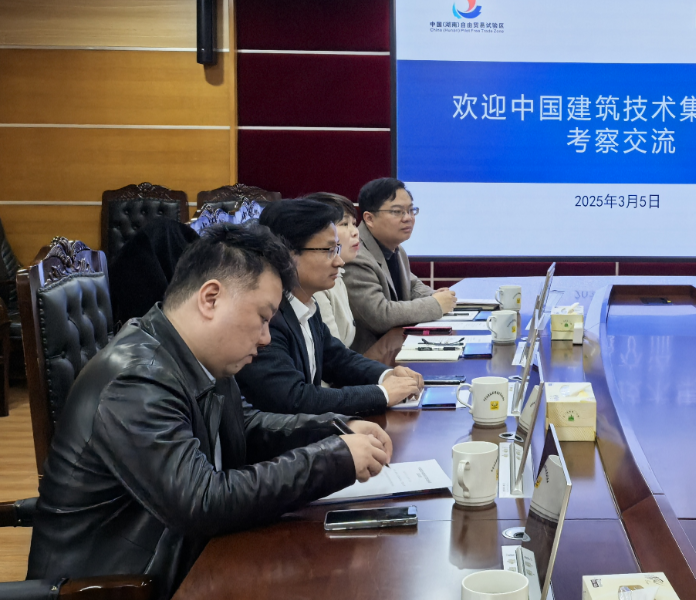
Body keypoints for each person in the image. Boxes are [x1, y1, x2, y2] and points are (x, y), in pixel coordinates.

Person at [26, 224, 393, 598]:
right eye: (263, 317)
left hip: (183, 561)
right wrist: (332, 460)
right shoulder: (135, 380)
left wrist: (335, 430)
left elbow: (246, 427)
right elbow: (202, 501)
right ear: (211, 298)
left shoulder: (198, 355)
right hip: (118, 587)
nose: (266, 337)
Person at [237, 199, 424, 416]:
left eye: (337, 249)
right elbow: (293, 398)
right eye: (329, 251)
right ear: (287, 254)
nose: (339, 262)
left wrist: (386, 375)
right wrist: (382, 393)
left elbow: (338, 359)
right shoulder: (268, 318)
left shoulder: (305, 304)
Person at [346, 178, 457, 353]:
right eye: (397, 212)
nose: (408, 218)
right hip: (370, 357)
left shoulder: (395, 247)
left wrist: (435, 295)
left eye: (411, 210)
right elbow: (380, 315)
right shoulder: (356, 255)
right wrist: (435, 304)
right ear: (369, 218)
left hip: (394, 348)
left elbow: (412, 285)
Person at [304, 192, 361, 346]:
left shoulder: (338, 273)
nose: (355, 231)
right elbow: (332, 353)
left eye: (354, 223)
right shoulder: (316, 283)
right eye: (344, 224)